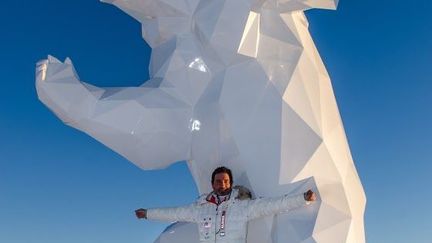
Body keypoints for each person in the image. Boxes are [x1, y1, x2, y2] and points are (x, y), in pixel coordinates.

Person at [135, 166, 316, 243]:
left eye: (225, 181)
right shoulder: (200, 209)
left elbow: (272, 205)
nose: (222, 184)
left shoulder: (242, 206)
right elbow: (174, 213)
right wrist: (148, 213)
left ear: (230, 183)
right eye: (218, 181)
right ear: (212, 184)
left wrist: (302, 198)